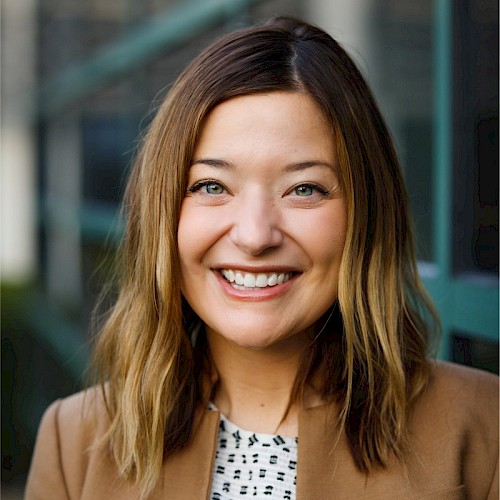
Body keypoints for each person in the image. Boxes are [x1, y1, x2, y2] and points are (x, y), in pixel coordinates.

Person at [25, 16, 498, 500]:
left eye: (304, 189)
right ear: (163, 211)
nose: (254, 236)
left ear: (366, 212)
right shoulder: (72, 441)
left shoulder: (485, 430)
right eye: (211, 186)